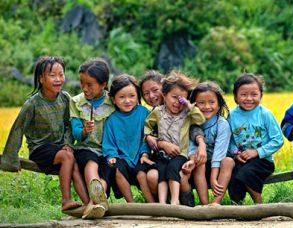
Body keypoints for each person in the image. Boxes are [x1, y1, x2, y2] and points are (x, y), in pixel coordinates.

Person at [1, 56, 89, 211]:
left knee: (73, 161)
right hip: (40, 149)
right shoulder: (33, 103)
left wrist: (68, 143)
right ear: (41, 78)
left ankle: (90, 204)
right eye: (52, 75)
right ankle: (66, 201)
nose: (58, 79)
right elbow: (18, 128)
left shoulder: (65, 98)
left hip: (60, 148)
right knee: (68, 156)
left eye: (61, 74)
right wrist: (10, 158)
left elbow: (69, 125)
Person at [138, 70, 206, 205]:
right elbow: (147, 125)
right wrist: (149, 137)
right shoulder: (157, 112)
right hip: (162, 154)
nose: (177, 102)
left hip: (181, 154)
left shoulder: (186, 113)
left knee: (175, 172)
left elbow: (200, 120)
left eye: (181, 99)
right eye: (174, 97)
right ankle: (163, 203)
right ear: (165, 94)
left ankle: (180, 202)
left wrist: (188, 106)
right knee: (160, 174)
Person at [227, 73, 283, 204]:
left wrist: (257, 152)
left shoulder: (265, 114)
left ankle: (259, 205)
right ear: (235, 97)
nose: (249, 98)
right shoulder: (232, 116)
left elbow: (278, 140)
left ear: (261, 95)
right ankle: (237, 206)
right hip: (241, 160)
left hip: (263, 160)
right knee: (234, 176)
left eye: (254, 94)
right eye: (243, 94)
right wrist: (236, 154)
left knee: (247, 173)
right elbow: (229, 141)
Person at [70, 58, 115, 218]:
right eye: (82, 83)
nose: (84, 88)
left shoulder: (113, 101)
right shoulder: (76, 102)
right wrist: (83, 132)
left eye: (90, 85)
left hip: (107, 152)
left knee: (106, 174)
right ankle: (94, 201)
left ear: (103, 84)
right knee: (91, 163)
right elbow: (75, 131)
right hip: (85, 149)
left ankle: (93, 205)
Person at [102, 74, 151, 203]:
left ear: (137, 96)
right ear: (113, 99)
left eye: (132, 96)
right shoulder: (112, 120)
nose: (127, 100)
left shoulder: (144, 113)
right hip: (123, 158)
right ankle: (131, 204)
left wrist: (145, 153)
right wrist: (111, 155)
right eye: (122, 97)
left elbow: (148, 136)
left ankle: (152, 204)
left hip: (141, 155)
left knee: (141, 175)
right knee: (117, 170)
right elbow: (108, 142)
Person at [189, 81, 234, 205]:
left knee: (228, 161)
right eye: (201, 103)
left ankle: (216, 203)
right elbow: (191, 147)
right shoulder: (191, 122)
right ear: (194, 105)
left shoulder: (222, 124)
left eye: (212, 102)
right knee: (200, 163)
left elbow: (220, 153)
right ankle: (205, 204)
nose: (207, 107)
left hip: (218, 165)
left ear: (219, 105)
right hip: (198, 164)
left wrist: (213, 177)